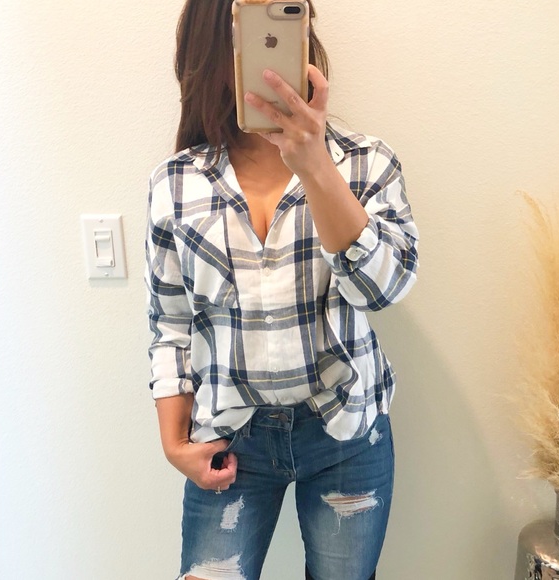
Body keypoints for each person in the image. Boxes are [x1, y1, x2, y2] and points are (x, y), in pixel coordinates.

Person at [145, 1, 419, 579]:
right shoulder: (176, 183)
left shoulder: (366, 164)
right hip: (229, 439)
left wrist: (316, 166)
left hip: (345, 431)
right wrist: (173, 444)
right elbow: (170, 324)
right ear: (213, 45)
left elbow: (384, 289)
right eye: (246, 29)